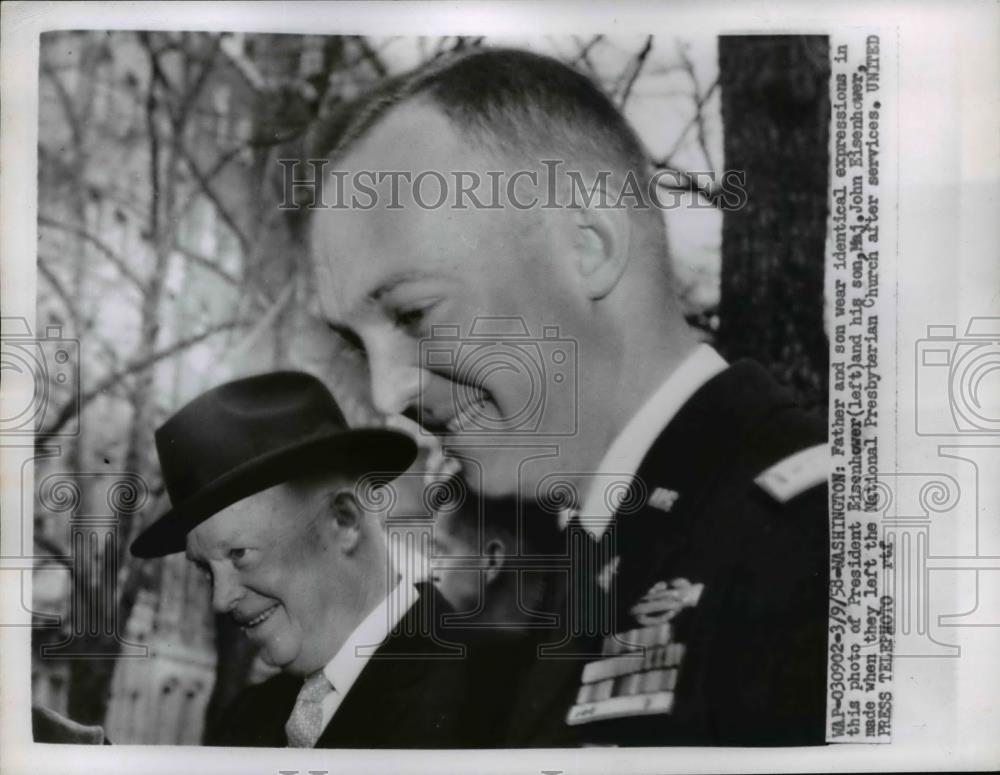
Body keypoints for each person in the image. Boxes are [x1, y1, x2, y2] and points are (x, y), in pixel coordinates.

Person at [306, 47, 829, 746]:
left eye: (412, 313)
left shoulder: (818, 544)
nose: (387, 389)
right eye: (356, 341)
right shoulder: (605, 555)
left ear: (589, 246)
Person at [129, 371, 490, 748]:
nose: (221, 600)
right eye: (205, 569)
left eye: (240, 555)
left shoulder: (486, 696)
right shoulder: (245, 721)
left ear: (344, 520)